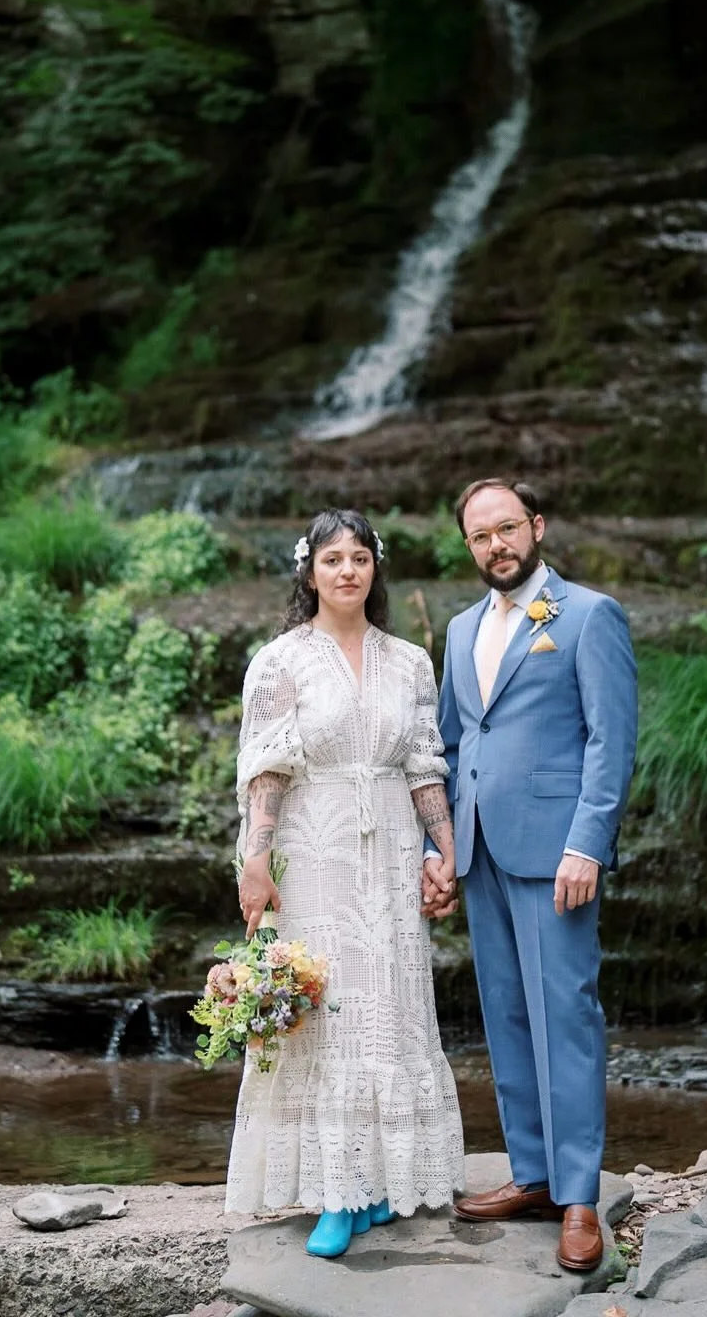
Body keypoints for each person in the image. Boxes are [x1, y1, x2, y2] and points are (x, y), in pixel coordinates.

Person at [223, 507, 465, 1258]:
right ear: (310, 570)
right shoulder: (281, 661)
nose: (348, 571)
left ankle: (382, 1183)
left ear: (375, 568)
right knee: (326, 1008)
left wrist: (444, 851)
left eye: (360, 557)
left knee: (387, 1004)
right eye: (333, 560)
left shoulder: (410, 662)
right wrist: (255, 857)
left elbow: (425, 763)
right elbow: (266, 766)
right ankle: (333, 1192)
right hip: (313, 843)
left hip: (391, 849)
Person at [423, 478, 637, 1273]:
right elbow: (447, 748)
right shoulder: (458, 628)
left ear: (536, 527)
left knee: (566, 1017)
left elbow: (609, 743)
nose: (495, 546)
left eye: (506, 528)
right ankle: (535, 1176)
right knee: (506, 1016)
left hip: (557, 858)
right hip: (479, 851)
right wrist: (436, 851)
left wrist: (588, 842)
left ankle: (580, 1196)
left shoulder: (586, 615)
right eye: (480, 536)